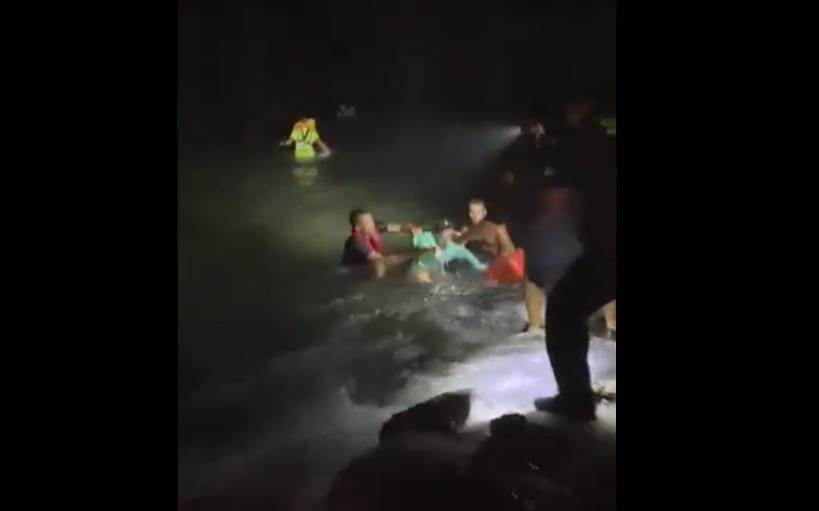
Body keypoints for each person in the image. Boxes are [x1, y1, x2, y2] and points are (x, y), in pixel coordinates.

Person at [534, 96, 616, 421]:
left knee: (564, 308)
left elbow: (555, 204)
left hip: (610, 245)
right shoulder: (603, 142)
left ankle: (576, 401)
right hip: (606, 244)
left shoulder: (577, 145)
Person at [520, 184, 583, 333]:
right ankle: (610, 324)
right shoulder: (576, 203)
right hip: (568, 261)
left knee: (532, 278)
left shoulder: (535, 211)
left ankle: (534, 326)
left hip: (547, 262)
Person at [454, 199, 524, 284]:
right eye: (472, 212)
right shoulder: (472, 229)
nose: (475, 215)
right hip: (498, 263)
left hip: (507, 263)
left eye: (478, 212)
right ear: (470, 214)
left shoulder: (490, 228)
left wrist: (497, 271)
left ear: (484, 213)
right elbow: (459, 242)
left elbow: (509, 251)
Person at [340, 209, 413, 279]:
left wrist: (410, 229)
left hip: (369, 264)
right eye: (368, 222)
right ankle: (372, 287)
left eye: (371, 220)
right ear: (358, 228)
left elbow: (397, 228)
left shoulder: (372, 227)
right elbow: (383, 260)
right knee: (379, 266)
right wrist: (411, 257)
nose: (372, 224)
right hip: (353, 272)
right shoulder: (357, 242)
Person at [408, 220, 487, 283]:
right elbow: (415, 233)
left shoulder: (458, 248)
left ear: (452, 232)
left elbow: (476, 263)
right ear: (438, 233)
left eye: (449, 231)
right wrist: (431, 248)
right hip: (421, 266)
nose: (446, 234)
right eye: (443, 232)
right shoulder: (427, 237)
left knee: (447, 280)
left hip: (437, 268)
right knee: (425, 280)